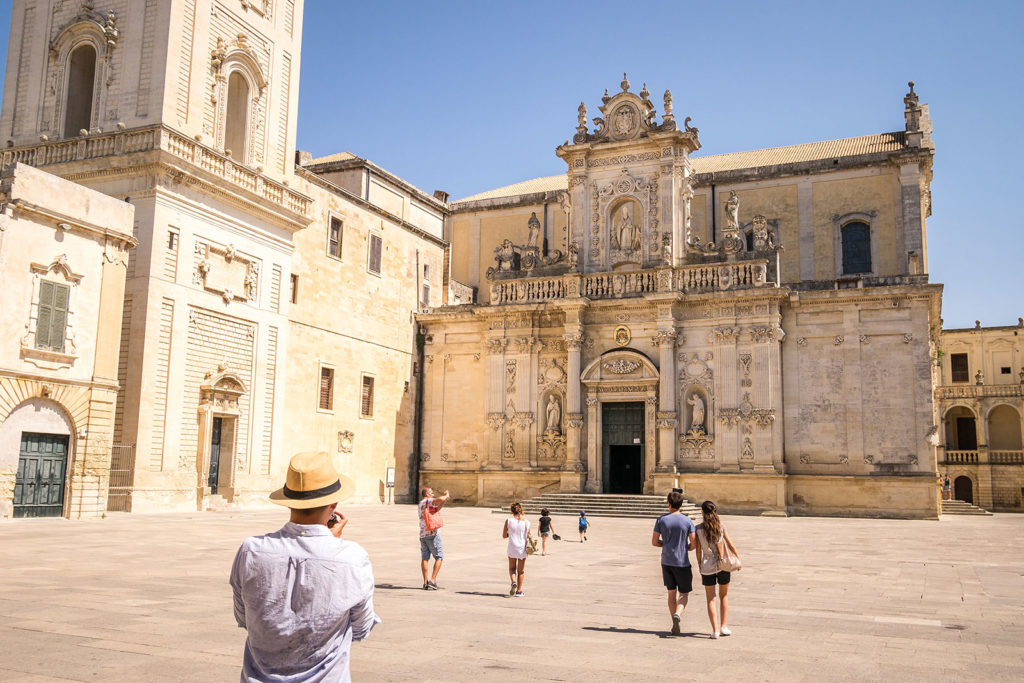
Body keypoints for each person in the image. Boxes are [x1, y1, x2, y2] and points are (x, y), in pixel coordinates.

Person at [230, 451, 379, 682]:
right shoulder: (352, 557)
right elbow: (361, 627)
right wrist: (331, 546)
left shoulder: (251, 550)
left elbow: (244, 618)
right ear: (334, 504)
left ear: (288, 502)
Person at [652, 490, 697, 636]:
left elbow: (654, 542)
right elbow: (694, 543)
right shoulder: (687, 521)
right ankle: (678, 614)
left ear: (668, 504)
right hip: (682, 562)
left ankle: (673, 622)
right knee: (684, 593)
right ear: (681, 505)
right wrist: (686, 548)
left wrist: (664, 545)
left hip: (666, 561)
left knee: (671, 593)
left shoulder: (661, 520)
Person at [693, 500, 738, 639]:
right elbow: (730, 545)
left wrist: (700, 565)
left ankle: (715, 630)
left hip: (707, 566)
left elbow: (698, 550)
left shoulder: (698, 529)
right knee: (723, 595)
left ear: (702, 512)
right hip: (723, 565)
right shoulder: (721, 527)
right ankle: (724, 626)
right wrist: (737, 558)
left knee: (710, 599)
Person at [418, 486, 450, 590]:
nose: (432, 495)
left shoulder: (421, 503)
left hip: (423, 534)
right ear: (427, 494)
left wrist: (444, 500)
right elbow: (438, 499)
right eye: (431, 493)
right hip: (433, 533)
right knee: (439, 557)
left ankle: (425, 582)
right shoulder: (429, 500)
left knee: (425, 558)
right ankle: (432, 580)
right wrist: (445, 495)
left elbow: (436, 509)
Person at [503, 502, 532, 596]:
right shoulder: (526, 522)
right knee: (521, 571)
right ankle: (519, 591)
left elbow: (504, 535)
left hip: (512, 547)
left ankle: (513, 582)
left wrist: (510, 534)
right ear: (521, 510)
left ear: (512, 511)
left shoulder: (508, 521)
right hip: (522, 548)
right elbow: (529, 535)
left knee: (512, 569)